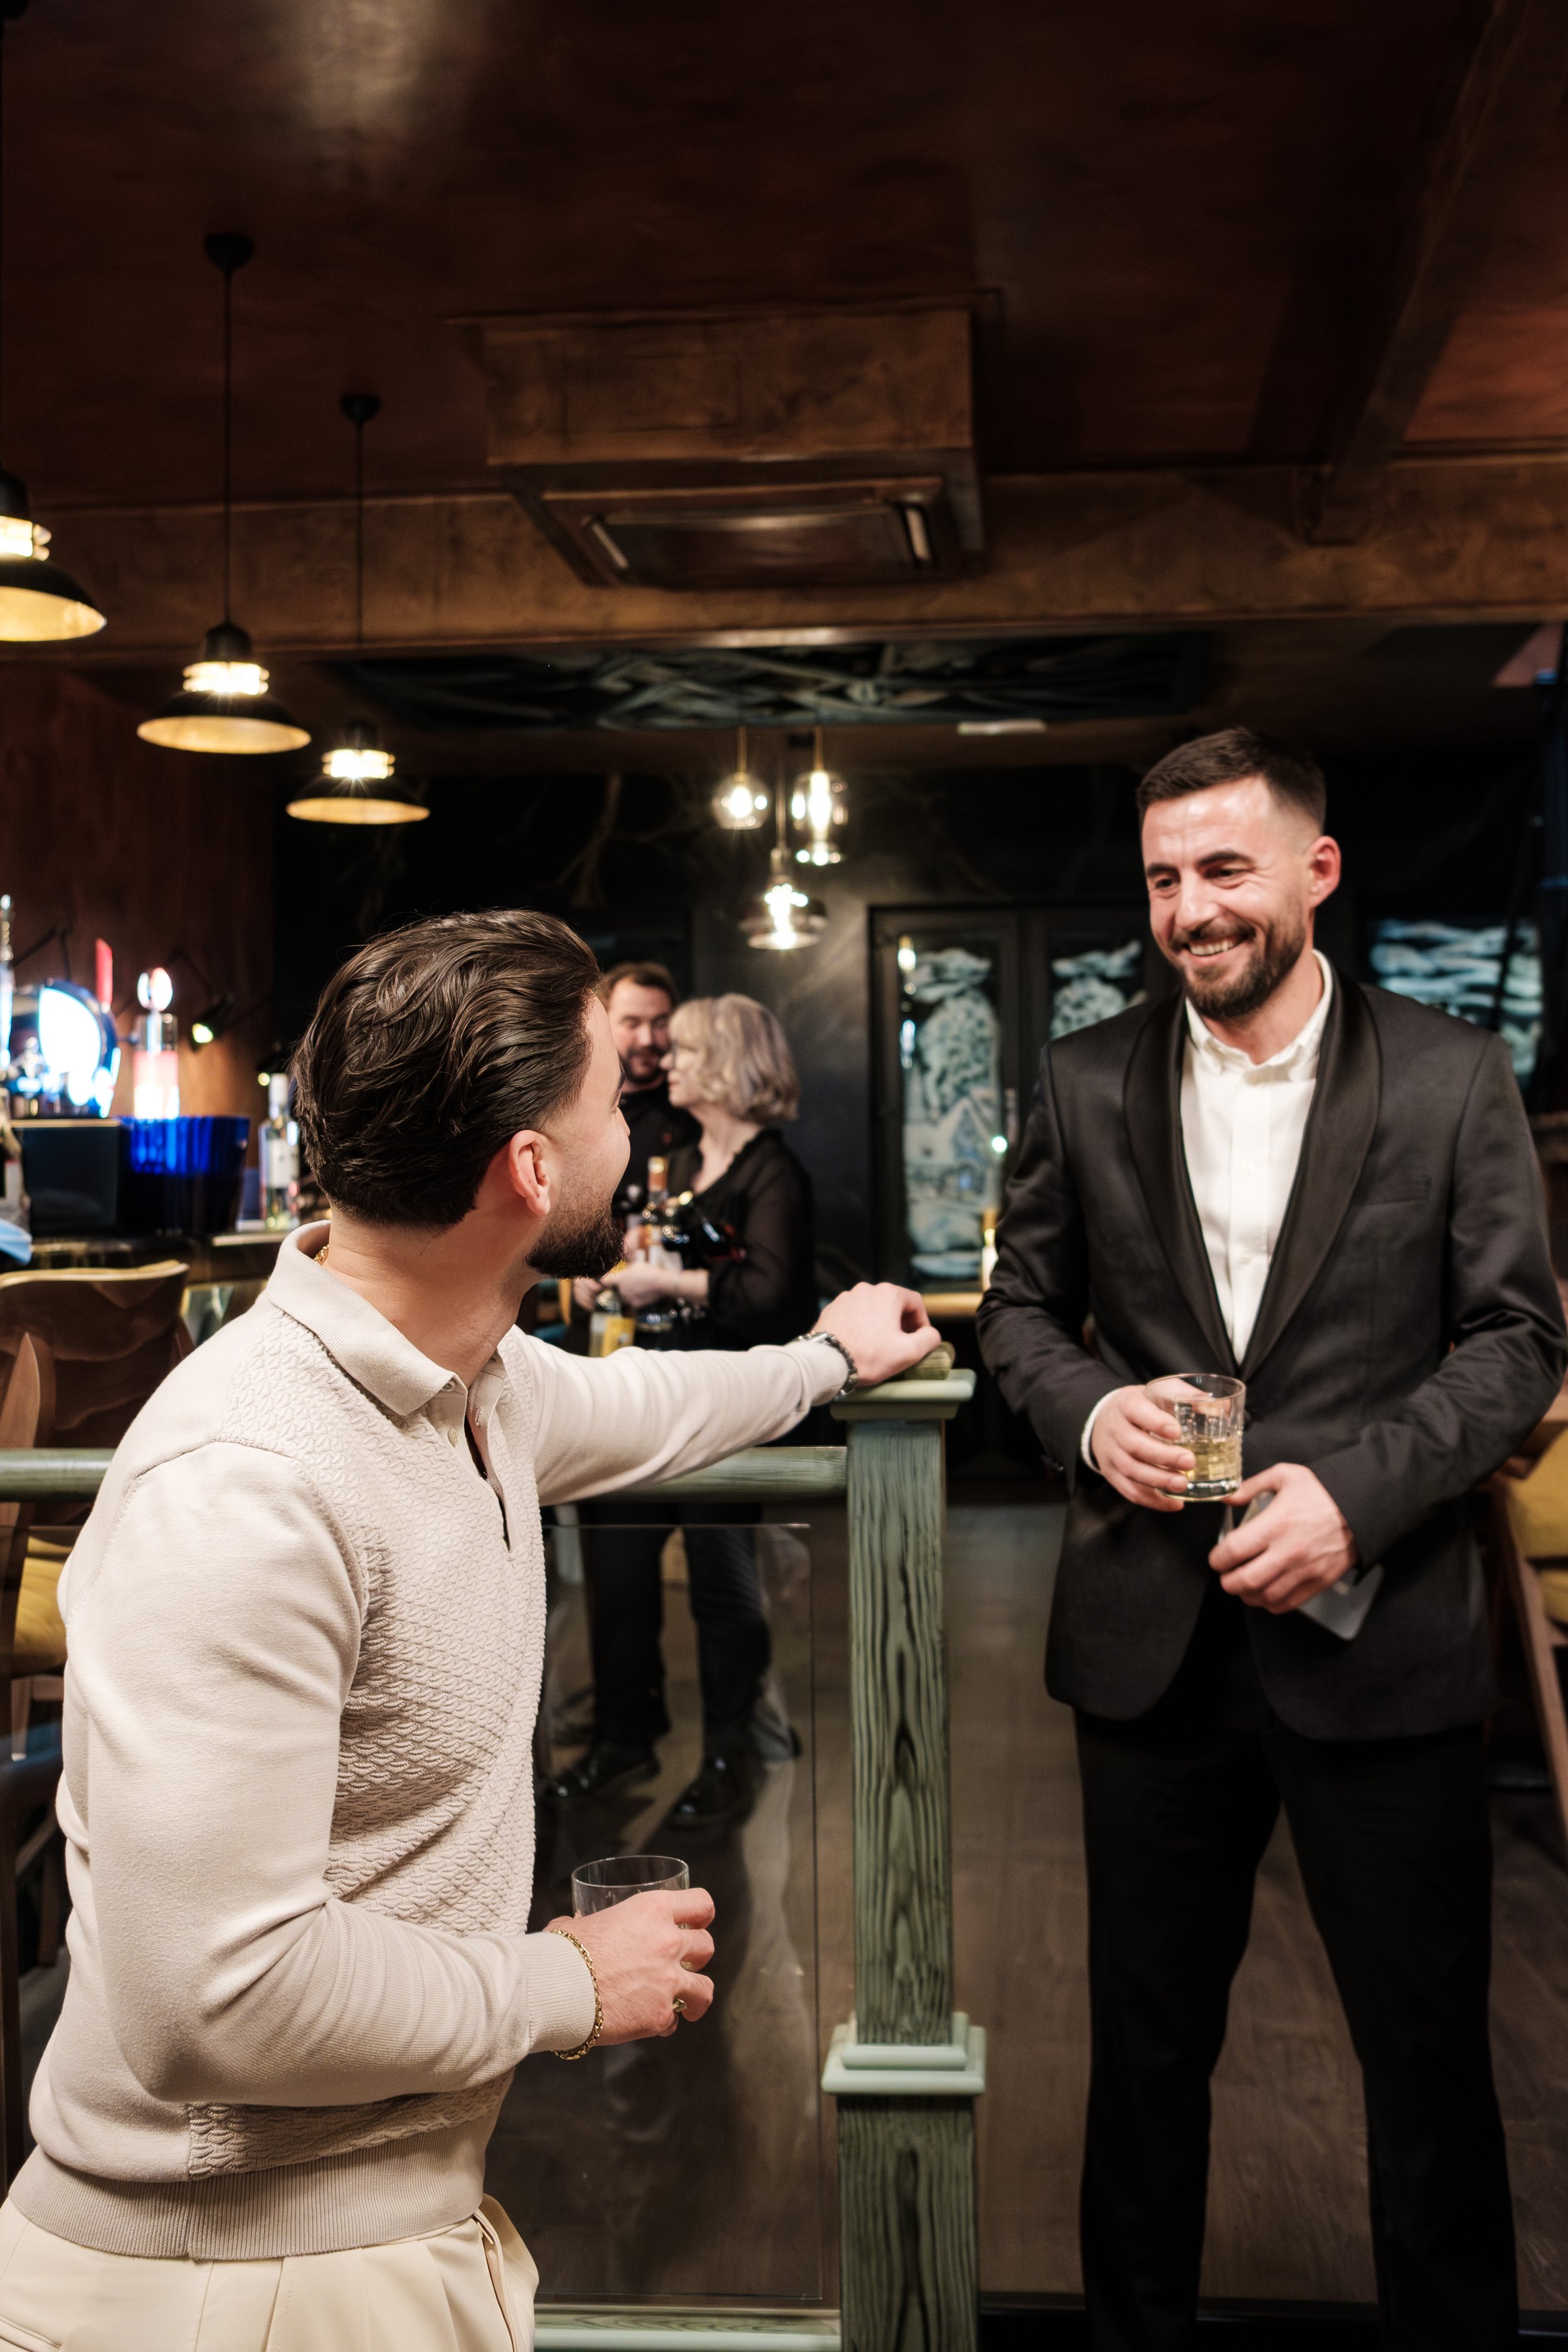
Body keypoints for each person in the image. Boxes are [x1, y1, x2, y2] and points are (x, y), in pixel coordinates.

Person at [0, 911, 933, 2351]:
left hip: (366, 2238)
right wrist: (570, 1980)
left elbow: (646, 1405)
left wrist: (822, 1360)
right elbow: (215, 2002)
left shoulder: (474, 1381)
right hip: (226, 2285)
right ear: (532, 1170)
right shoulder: (245, 1483)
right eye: (610, 1098)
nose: (634, 1124)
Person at [977, 728, 1567, 2352]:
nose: (1190, 908)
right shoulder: (1083, 1077)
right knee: (1142, 2056)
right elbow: (1018, 1311)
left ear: (1315, 870)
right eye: (1163, 877)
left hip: (1382, 1634)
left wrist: (1353, 1496)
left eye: (1223, 868)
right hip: (1147, 1644)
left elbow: (1515, 1338)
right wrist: (1087, 1411)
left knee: (1423, 2059)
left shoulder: (1450, 1074)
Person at [548, 993, 817, 1820]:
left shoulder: (773, 1173)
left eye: (689, 1051)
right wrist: (607, 1272)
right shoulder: (682, 1155)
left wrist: (665, 1283)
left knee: (722, 1593)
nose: (670, 1060)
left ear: (731, 1065)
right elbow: (646, 1248)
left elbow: (772, 1297)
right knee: (619, 1580)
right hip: (644, 1399)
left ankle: (732, 1755)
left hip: (724, 1416)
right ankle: (623, 1738)